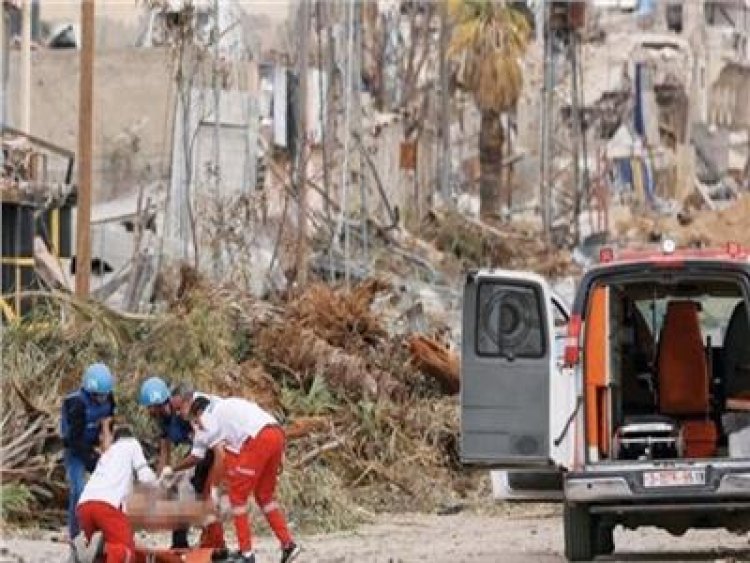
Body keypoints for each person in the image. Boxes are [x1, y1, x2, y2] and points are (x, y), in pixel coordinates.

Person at [188, 395, 301, 563]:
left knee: (237, 498)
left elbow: (220, 456)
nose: (197, 426)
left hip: (259, 438)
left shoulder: (210, 418)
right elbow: (232, 455)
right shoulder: (225, 411)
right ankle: (288, 545)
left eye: (196, 421)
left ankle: (246, 554)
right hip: (276, 434)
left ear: (200, 413)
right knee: (265, 496)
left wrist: (213, 491)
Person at [138, 377, 224, 549]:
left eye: (155, 407)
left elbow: (202, 443)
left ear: (165, 402)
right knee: (180, 489)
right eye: (150, 408)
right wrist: (160, 479)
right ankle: (180, 542)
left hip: (212, 449)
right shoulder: (162, 420)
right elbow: (165, 450)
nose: (152, 411)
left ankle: (215, 543)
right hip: (199, 450)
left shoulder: (183, 411)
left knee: (202, 492)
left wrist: (176, 469)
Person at [73, 424, 160, 563]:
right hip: (107, 506)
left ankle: (88, 548)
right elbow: (145, 476)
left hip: (84, 506)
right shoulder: (132, 444)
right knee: (125, 551)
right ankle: (98, 549)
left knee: (99, 557)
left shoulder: (108, 454)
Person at [60, 363, 116, 540]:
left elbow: (108, 425)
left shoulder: (109, 400)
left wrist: (104, 449)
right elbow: (73, 440)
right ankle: (75, 534)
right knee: (78, 489)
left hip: (94, 446)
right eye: (98, 396)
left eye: (104, 395)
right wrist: (91, 459)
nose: (102, 399)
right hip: (75, 450)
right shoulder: (77, 404)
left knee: (108, 487)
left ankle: (103, 530)